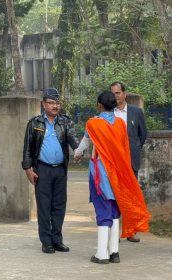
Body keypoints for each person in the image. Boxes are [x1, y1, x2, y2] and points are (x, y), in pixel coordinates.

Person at [74, 90, 150, 264]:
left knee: (102, 209)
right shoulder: (120, 124)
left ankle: (102, 253)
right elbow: (125, 148)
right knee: (116, 209)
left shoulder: (93, 123)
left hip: (100, 171)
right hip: (119, 171)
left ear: (99, 105)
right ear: (114, 105)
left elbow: (85, 143)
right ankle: (114, 252)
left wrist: (77, 154)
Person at [22, 88, 79, 254]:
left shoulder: (65, 122)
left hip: (60, 170)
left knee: (59, 206)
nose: (55, 106)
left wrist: (78, 150)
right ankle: (46, 242)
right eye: (51, 103)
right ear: (43, 104)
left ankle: (57, 240)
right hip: (42, 170)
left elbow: (73, 139)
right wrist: (27, 169)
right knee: (44, 206)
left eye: (57, 103)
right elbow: (27, 149)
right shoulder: (35, 123)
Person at [110, 81, 147, 243]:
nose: (115, 96)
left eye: (118, 93)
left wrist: (133, 150)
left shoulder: (136, 112)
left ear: (125, 94)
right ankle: (114, 232)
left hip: (131, 161)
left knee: (131, 196)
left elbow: (142, 135)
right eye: (113, 93)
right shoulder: (108, 113)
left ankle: (131, 231)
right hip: (113, 162)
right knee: (114, 196)